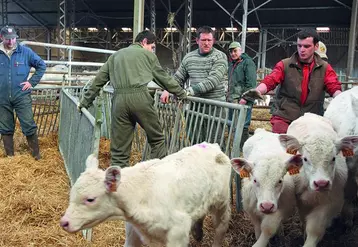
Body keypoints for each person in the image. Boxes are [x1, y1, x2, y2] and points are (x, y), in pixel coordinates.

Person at [78, 30, 187, 168]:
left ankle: (117, 183)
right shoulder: (147, 56)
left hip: (119, 102)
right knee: (157, 139)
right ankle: (160, 175)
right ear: (144, 42)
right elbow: (163, 79)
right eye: (152, 47)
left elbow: (98, 81)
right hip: (140, 99)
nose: (152, 51)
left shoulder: (115, 56)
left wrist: (84, 102)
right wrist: (181, 94)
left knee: (119, 150)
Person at [244, 29, 341, 134]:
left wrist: (343, 99)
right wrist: (258, 90)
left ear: (316, 46)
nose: (302, 50)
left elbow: (333, 86)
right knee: (281, 147)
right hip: (285, 117)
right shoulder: (285, 64)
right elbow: (271, 80)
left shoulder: (325, 68)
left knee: (308, 148)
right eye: (299, 46)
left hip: (311, 120)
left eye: (306, 46)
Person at [160, 26, 228, 144]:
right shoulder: (189, 57)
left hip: (215, 106)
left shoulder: (220, 57)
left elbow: (212, 81)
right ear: (197, 41)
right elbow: (178, 77)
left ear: (213, 41)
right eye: (203, 40)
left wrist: (187, 92)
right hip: (195, 105)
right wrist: (168, 89)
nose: (206, 43)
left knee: (214, 141)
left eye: (209, 40)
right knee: (195, 140)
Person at [0, 25, 46, 160]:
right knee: (5, 126)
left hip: (21, 95)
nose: (11, 42)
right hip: (2, 97)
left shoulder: (25, 52)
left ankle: (36, 155)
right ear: (1, 37)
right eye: (8, 39)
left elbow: (41, 65)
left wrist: (31, 82)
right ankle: (10, 157)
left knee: (28, 124)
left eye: (13, 38)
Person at [226, 41, 257, 150]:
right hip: (232, 100)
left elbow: (251, 83)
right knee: (230, 124)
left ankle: (243, 150)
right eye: (231, 52)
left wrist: (245, 98)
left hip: (242, 101)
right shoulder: (232, 65)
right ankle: (233, 148)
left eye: (235, 51)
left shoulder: (247, 63)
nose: (233, 54)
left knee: (243, 125)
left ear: (240, 50)